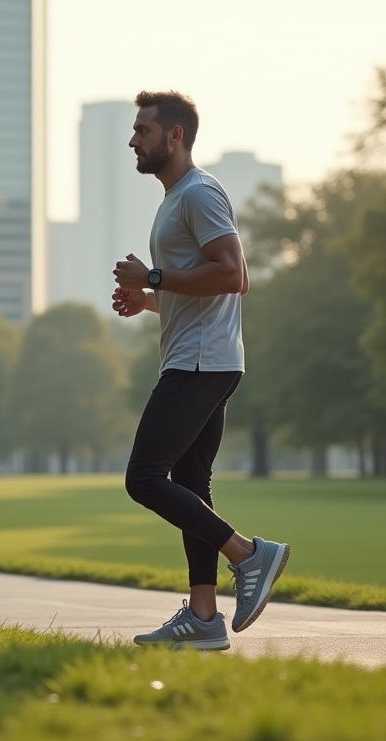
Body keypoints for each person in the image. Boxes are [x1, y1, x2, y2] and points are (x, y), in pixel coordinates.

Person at [112, 90, 291, 651]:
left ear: (175, 137)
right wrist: (151, 301)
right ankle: (205, 618)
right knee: (192, 484)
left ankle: (248, 554)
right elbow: (212, 285)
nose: (133, 140)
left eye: (142, 130)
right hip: (202, 356)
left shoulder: (199, 194)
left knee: (144, 478)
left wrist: (155, 279)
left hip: (200, 363)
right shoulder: (175, 200)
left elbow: (235, 275)